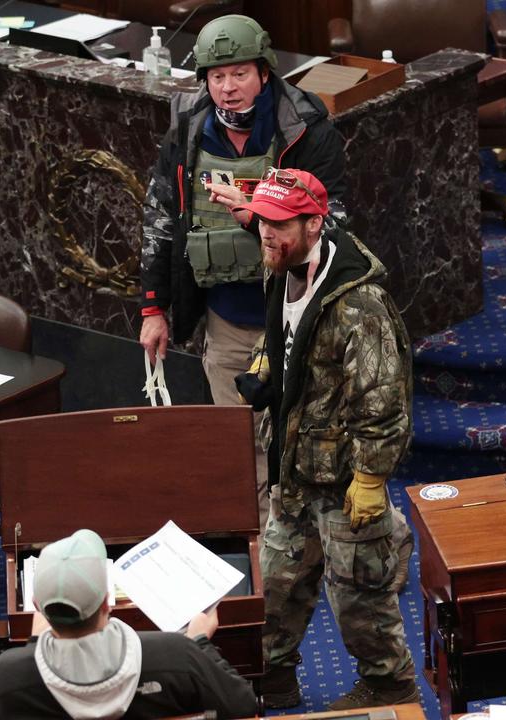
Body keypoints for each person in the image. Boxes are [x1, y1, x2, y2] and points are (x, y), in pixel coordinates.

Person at [137, 14, 345, 529]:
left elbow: (332, 228)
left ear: (265, 72)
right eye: (216, 77)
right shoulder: (187, 129)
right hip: (226, 321)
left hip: (296, 318)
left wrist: (257, 217)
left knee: (305, 441)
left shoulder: (307, 130)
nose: (228, 89)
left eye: (240, 74)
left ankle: (307, 548)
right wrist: (152, 308)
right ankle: (264, 560)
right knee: (240, 446)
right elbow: (161, 221)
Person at [230, 168, 419, 710]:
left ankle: (389, 687)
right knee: (275, 590)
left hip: (344, 483)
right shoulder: (283, 264)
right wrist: (268, 369)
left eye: (279, 223)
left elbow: (383, 400)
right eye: (262, 220)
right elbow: (289, 337)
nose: (266, 232)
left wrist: (370, 478)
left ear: (314, 224)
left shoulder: (361, 305)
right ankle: (273, 681)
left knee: (360, 600)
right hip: (293, 469)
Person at [0, 529, 258, 719]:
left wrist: (33, 647)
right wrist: (200, 643)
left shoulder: (4, 679)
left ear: (37, 607)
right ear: (107, 602)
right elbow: (245, 706)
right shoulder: (178, 655)